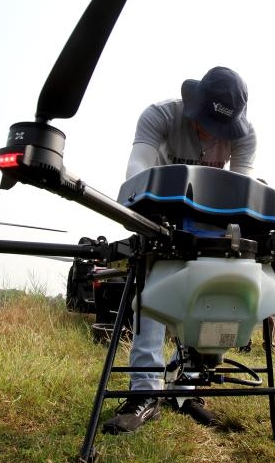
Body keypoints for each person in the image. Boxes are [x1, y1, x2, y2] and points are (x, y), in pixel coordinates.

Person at [101, 66, 257, 435]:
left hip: (212, 221)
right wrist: (142, 210)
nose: (212, 133)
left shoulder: (246, 136)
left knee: (211, 296)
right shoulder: (160, 115)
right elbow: (137, 165)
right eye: (205, 122)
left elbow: (244, 187)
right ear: (193, 105)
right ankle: (145, 393)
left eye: (221, 128)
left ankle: (186, 388)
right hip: (161, 216)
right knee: (153, 293)